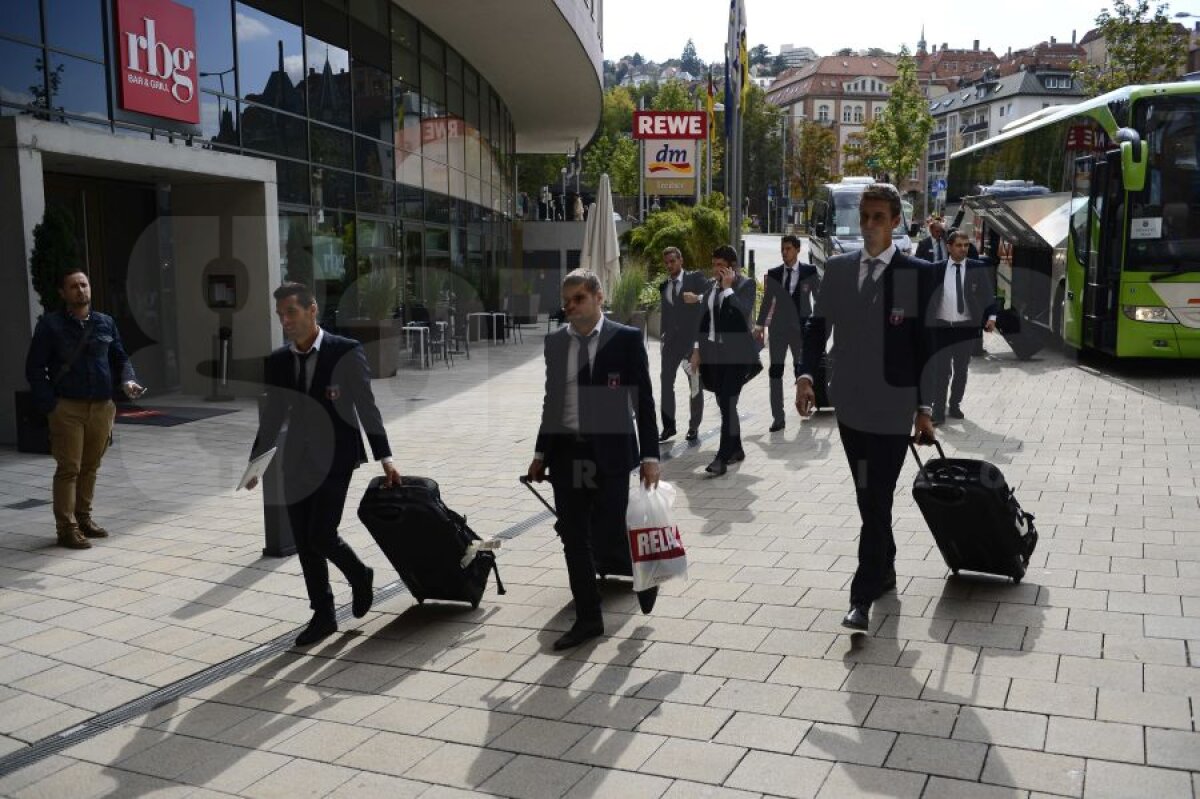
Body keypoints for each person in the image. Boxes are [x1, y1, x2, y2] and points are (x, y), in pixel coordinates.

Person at [795, 184, 938, 633]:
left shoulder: (915, 272)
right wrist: (804, 376)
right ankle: (886, 568)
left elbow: (925, 347)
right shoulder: (837, 269)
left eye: (879, 217)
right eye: (865, 217)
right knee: (868, 497)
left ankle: (861, 598)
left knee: (875, 497)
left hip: (894, 409)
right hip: (852, 407)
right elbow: (818, 329)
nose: (871, 226)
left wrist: (924, 408)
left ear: (896, 222)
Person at [247, 282, 401, 647]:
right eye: (280, 315)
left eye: (291, 312)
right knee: (304, 540)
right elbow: (272, 417)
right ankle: (323, 614)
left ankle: (359, 575)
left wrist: (385, 456)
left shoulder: (346, 352)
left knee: (321, 533)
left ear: (312, 309)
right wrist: (256, 464)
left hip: (336, 457)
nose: (285, 321)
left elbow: (366, 406)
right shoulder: (279, 362)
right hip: (295, 461)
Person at [527, 269, 661, 651]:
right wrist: (540, 454)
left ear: (598, 297)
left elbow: (644, 403)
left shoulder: (626, 339)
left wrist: (650, 456)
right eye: (566, 301)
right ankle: (589, 618)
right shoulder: (556, 343)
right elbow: (552, 402)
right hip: (569, 453)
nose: (569, 307)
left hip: (613, 453)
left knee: (614, 526)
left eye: (578, 299)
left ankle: (644, 572)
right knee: (574, 536)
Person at [25, 269, 145, 550]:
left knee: (91, 466)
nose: (81, 290)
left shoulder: (105, 322)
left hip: (102, 407)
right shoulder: (50, 326)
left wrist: (128, 379)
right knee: (69, 468)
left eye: (84, 284)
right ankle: (66, 528)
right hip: (67, 407)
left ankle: (83, 519)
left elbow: (120, 357)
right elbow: (34, 367)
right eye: (74, 286)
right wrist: (50, 406)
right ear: (63, 293)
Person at [691, 245, 757, 476]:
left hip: (737, 356)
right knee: (724, 403)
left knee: (728, 403)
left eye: (720, 265)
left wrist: (728, 290)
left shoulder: (745, 285)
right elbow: (703, 320)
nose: (716, 269)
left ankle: (721, 458)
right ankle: (736, 448)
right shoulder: (711, 287)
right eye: (714, 264)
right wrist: (697, 349)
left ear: (732, 267)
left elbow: (742, 315)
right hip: (714, 355)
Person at [927, 229, 997, 424]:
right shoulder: (937, 269)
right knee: (941, 371)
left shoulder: (977, 268)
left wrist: (991, 317)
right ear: (949, 247)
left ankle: (955, 404)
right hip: (942, 327)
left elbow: (988, 295)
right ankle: (938, 411)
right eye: (959, 245)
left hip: (965, 328)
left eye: (966, 245)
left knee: (961, 370)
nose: (963, 249)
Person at [754, 234, 820, 432]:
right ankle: (778, 417)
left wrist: (816, 324)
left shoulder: (810, 271)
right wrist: (759, 326)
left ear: (797, 249)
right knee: (775, 371)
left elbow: (819, 298)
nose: (785, 253)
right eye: (783, 249)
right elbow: (767, 301)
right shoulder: (774, 274)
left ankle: (805, 406)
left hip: (801, 330)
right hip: (778, 330)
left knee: (801, 370)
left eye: (788, 249)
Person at [657, 246, 707, 443]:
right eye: (667, 262)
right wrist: (662, 336)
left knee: (694, 384)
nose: (669, 265)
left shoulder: (695, 279)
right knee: (665, 383)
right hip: (670, 344)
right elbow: (666, 313)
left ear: (681, 260)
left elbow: (712, 294)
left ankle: (694, 427)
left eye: (672, 261)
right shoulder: (664, 286)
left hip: (691, 343)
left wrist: (697, 298)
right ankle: (669, 427)